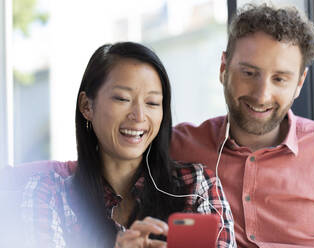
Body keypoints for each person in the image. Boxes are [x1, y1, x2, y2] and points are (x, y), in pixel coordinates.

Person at [170, 3, 314, 248]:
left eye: (279, 79)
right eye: (248, 73)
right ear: (224, 68)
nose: (262, 95)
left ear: (299, 83)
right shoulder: (177, 146)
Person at [18, 42, 236, 248]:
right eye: (122, 99)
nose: (139, 116)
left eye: (152, 103)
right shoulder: (48, 193)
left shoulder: (197, 185)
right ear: (87, 106)